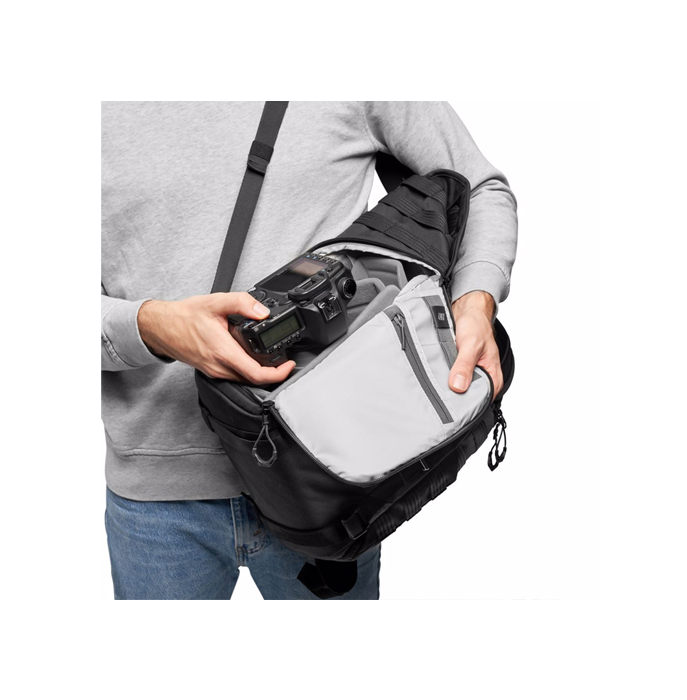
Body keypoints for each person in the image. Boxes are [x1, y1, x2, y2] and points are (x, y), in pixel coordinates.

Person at [101, 101, 518, 599]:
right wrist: (149, 326)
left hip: (336, 477)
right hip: (155, 501)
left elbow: (480, 187)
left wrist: (474, 298)